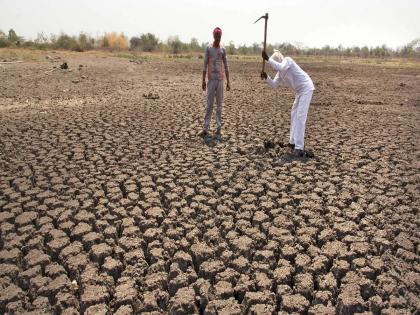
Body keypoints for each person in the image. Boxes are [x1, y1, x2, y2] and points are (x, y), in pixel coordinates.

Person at [261, 49, 314, 157]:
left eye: (274, 63)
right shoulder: (280, 73)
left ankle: (299, 147)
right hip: (299, 91)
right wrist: (266, 77)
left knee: (300, 117)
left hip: (306, 88)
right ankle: (292, 143)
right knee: (293, 114)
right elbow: (274, 84)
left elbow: (280, 67)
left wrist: (267, 59)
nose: (274, 66)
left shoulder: (287, 61)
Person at [198, 27, 230, 138]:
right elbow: (204, 64)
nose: (218, 39)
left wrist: (228, 82)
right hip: (211, 80)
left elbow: (226, 66)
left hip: (220, 80)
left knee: (219, 105)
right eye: (216, 37)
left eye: (219, 37)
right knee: (209, 105)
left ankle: (219, 128)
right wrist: (203, 80)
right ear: (213, 37)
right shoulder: (209, 49)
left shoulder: (223, 49)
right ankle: (205, 128)